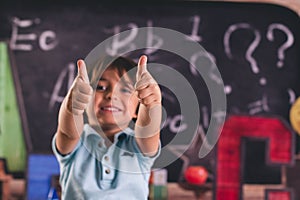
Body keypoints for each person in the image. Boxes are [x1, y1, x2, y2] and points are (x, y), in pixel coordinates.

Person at [52, 55, 162, 199]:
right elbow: (68, 133)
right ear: (86, 99)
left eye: (125, 90)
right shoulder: (77, 142)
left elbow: (148, 131)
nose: (111, 95)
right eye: (101, 87)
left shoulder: (138, 146)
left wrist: (152, 104)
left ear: (138, 109)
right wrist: (71, 106)